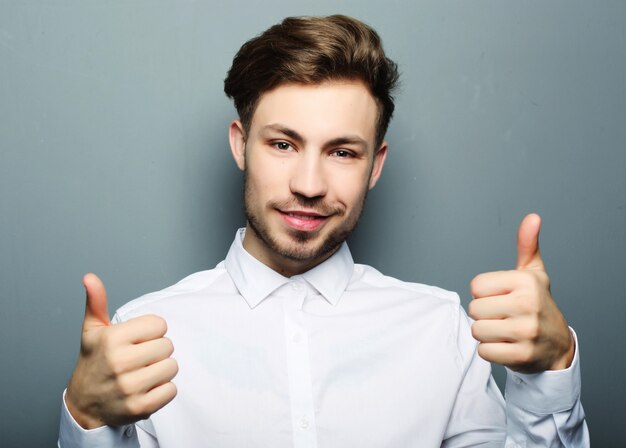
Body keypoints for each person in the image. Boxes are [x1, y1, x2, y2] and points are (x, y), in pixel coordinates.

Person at [58, 15, 589, 447]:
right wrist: (86, 420)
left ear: (375, 166)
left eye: (341, 152)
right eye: (283, 144)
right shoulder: (147, 335)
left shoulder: (441, 330)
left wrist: (549, 373)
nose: (309, 185)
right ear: (241, 145)